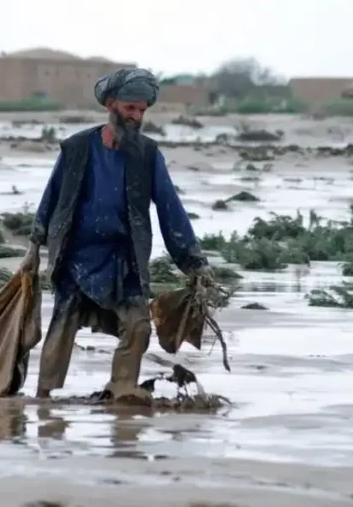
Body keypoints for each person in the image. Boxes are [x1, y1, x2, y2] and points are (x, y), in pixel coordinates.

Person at [19, 68, 211, 400]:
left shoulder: (148, 155)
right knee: (62, 326)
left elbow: (171, 210)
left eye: (142, 110)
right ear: (111, 105)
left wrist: (194, 263)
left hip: (125, 259)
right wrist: (34, 245)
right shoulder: (77, 148)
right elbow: (51, 198)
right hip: (76, 257)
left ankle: (121, 390)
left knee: (137, 326)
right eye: (130, 109)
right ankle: (43, 400)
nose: (136, 117)